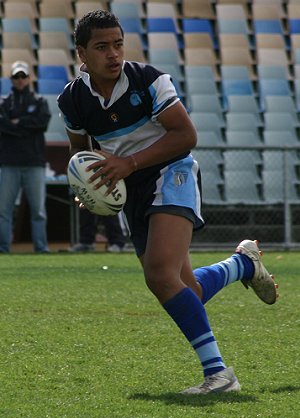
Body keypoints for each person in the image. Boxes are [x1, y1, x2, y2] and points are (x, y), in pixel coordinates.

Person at [57, 10, 279, 394]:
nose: (113, 54)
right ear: (82, 54)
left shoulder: (148, 79)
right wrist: (89, 189)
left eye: (118, 44)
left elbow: (185, 135)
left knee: (160, 275)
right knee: (183, 287)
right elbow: (82, 153)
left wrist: (128, 162)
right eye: (102, 47)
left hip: (170, 170)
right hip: (130, 187)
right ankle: (241, 265)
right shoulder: (73, 100)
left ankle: (220, 375)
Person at [0, 61, 51, 253]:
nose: (20, 80)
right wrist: (26, 126)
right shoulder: (4, 102)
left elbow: (42, 123)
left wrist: (17, 123)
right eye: (16, 77)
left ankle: (41, 247)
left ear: (29, 78)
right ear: (11, 79)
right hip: (9, 163)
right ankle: (3, 248)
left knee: (38, 210)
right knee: (4, 211)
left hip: (34, 163)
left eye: (23, 76)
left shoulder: (40, 101)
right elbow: (3, 125)